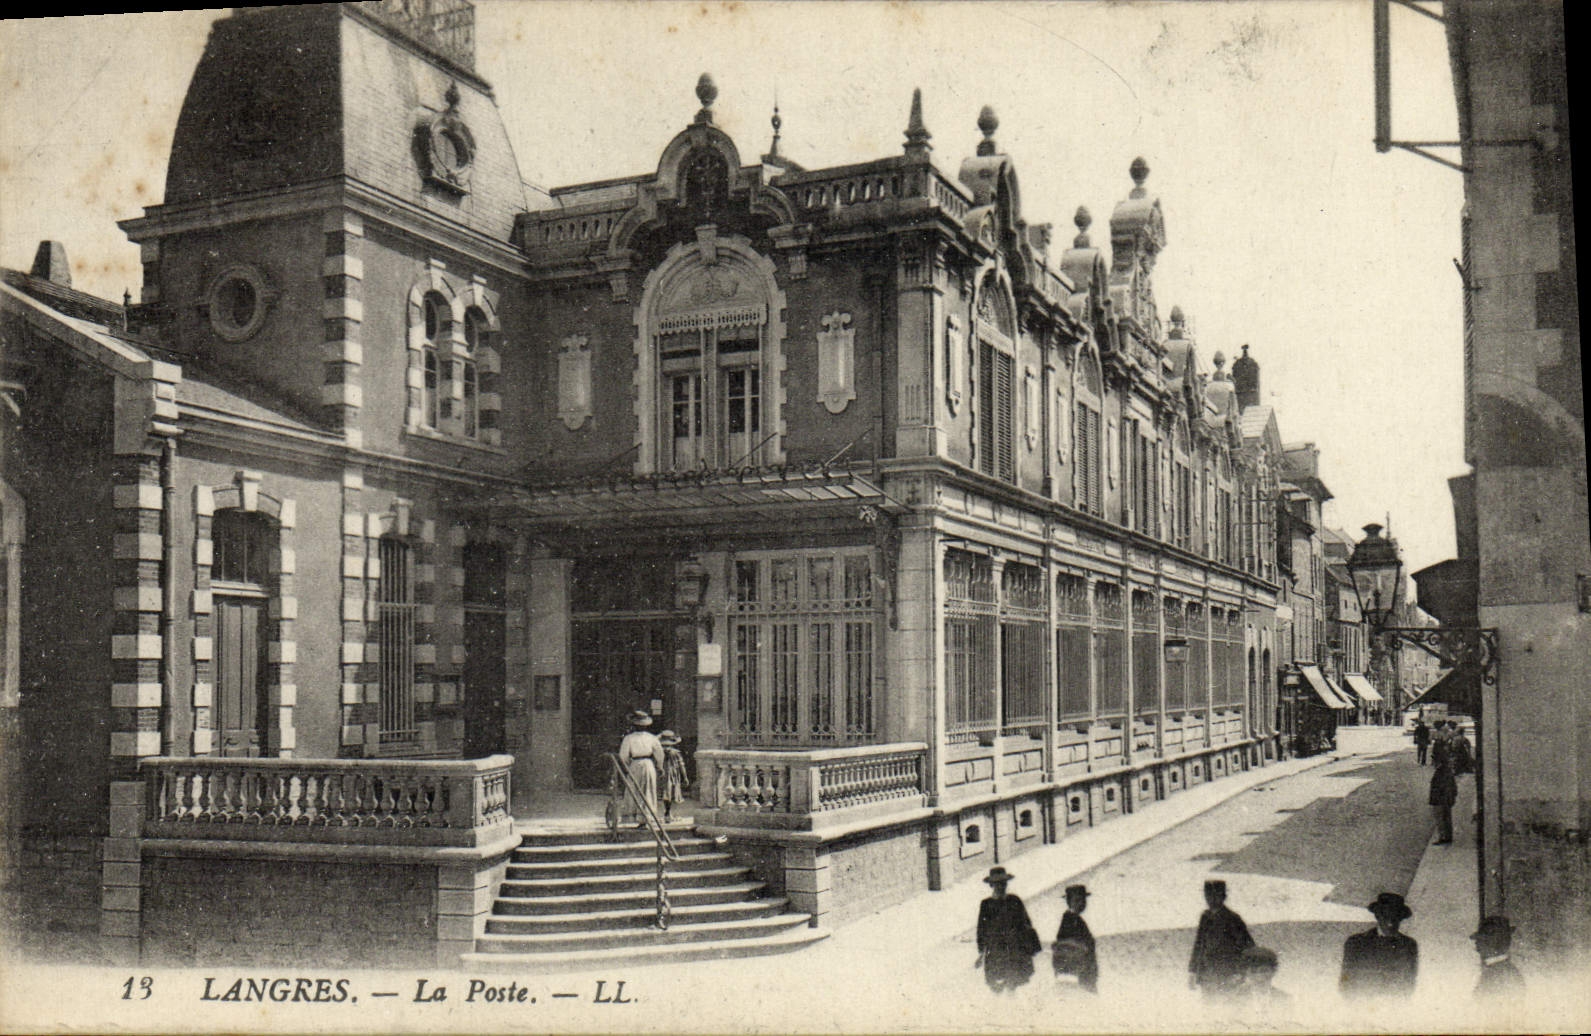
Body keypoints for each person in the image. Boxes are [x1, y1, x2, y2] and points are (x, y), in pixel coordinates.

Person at [975, 866, 1042, 994]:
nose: (1001, 886)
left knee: (1013, 985)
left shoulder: (1014, 901)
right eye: (997, 884)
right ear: (991, 885)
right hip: (995, 951)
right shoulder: (986, 905)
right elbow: (981, 930)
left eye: (1004, 883)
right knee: (996, 986)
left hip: (1014, 949)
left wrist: (1030, 946)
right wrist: (981, 953)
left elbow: (1026, 923)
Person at [1339, 892, 1419, 998]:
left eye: (1396, 917)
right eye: (1385, 916)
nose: (1390, 922)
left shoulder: (1409, 946)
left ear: (1401, 919)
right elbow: (1346, 983)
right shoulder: (1356, 943)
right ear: (1377, 916)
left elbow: (1409, 985)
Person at [1188, 879, 1255, 998]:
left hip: (1228, 975)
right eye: (1208, 895)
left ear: (1224, 896)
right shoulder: (1205, 917)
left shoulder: (1232, 918)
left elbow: (1248, 947)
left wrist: (1241, 972)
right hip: (1207, 976)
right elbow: (1199, 945)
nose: (1211, 899)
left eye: (1216, 895)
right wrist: (1192, 972)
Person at [616, 709, 666, 826]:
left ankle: (638, 817)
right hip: (648, 764)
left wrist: (628, 765)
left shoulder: (629, 738)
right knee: (648, 789)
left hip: (636, 764)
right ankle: (646, 817)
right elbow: (659, 753)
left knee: (635, 789)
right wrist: (659, 766)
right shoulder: (652, 738)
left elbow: (623, 755)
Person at [1052, 884, 1098, 992]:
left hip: (1084, 972)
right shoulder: (1069, 920)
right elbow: (1066, 949)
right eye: (1077, 900)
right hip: (1078, 975)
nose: (1081, 904)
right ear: (1069, 902)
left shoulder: (1076, 919)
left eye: (1083, 900)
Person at [1470, 915, 1525, 998]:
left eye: (1481, 940)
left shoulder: (1500, 973)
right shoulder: (1504, 969)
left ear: (1492, 943)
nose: (1476, 945)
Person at [1239, 946, 1292, 1012]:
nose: (1259, 976)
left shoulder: (1285, 999)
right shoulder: (1235, 998)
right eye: (1253, 971)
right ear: (1246, 972)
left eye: (1264, 971)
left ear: (1273, 971)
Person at [658, 729, 689, 823]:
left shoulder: (658, 751)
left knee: (663, 793)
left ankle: (665, 813)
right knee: (671, 793)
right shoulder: (676, 752)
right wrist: (685, 777)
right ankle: (668, 813)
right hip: (673, 774)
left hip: (661, 773)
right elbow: (681, 765)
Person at [1429, 756, 1457, 845]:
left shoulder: (1441, 772)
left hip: (1440, 800)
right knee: (1446, 819)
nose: (1433, 763)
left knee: (1440, 819)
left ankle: (1443, 838)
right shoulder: (1446, 771)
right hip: (1445, 799)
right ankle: (1447, 837)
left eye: (1434, 761)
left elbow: (1442, 787)